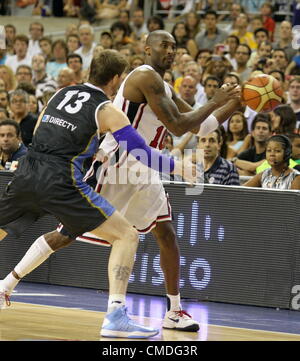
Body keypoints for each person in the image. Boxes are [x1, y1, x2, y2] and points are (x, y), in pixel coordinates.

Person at [0, 49, 196, 339]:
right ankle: (116, 315)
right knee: (127, 235)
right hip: (61, 180)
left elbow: (39, 131)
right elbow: (140, 151)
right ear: (116, 79)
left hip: (28, 171)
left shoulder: (59, 93)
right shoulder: (106, 109)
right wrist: (177, 167)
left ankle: (5, 285)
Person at [72, 30, 241, 332]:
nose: (171, 51)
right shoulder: (145, 76)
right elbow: (178, 127)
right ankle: (9, 281)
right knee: (67, 230)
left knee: (167, 234)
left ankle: (174, 311)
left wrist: (235, 104)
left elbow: (201, 127)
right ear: (147, 48)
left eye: (175, 47)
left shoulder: (163, 84)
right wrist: (216, 100)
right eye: (164, 45)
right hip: (120, 160)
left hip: (146, 166)